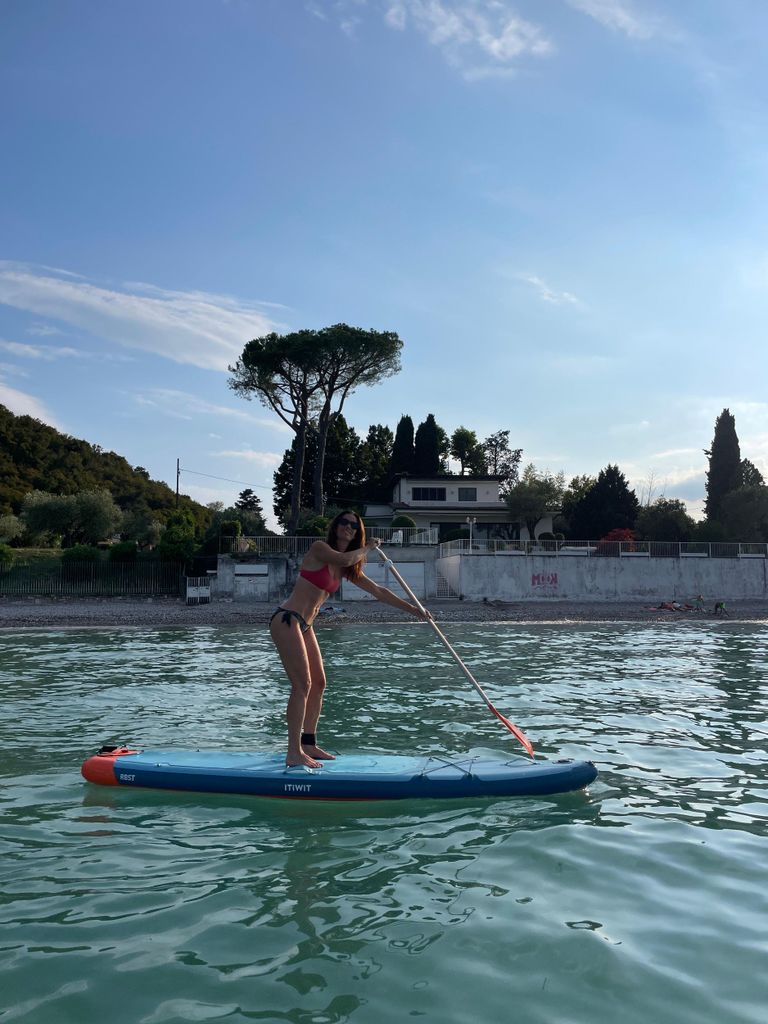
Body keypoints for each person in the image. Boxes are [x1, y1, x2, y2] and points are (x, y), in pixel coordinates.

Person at [270, 510, 430, 768]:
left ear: (357, 531)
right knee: (302, 684)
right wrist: (367, 547)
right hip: (287, 619)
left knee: (319, 683)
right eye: (344, 522)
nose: (348, 527)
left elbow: (379, 591)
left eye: (354, 526)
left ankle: (308, 743)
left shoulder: (346, 568)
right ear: (335, 526)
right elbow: (345, 557)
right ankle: (293, 751)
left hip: (306, 625)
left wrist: (415, 610)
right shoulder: (320, 549)